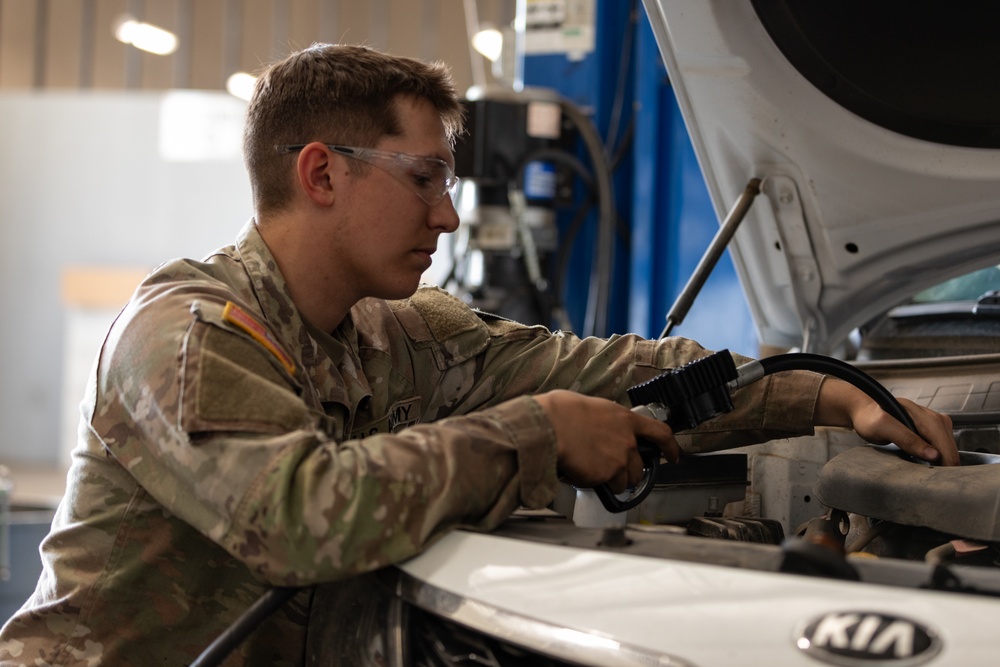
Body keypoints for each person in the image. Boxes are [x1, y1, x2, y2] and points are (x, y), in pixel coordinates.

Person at [0, 44, 957, 666]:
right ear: (321, 173)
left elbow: (604, 371)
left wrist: (830, 397)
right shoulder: (188, 335)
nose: (448, 214)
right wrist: (535, 434)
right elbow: (297, 516)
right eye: (422, 179)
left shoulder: (398, 333)